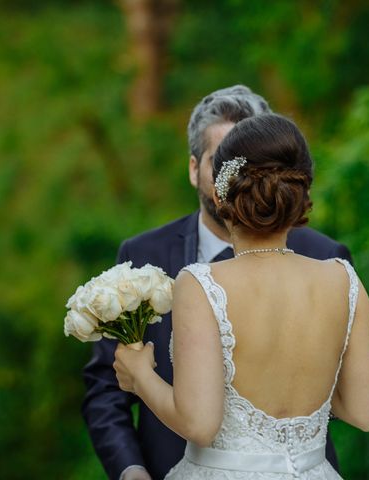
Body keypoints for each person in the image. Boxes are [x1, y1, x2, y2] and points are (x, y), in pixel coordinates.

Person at [82, 86, 354, 480]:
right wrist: (131, 471)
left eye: (254, 167)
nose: (242, 181)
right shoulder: (143, 255)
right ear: (195, 168)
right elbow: (105, 389)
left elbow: (349, 389)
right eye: (224, 162)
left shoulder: (326, 258)